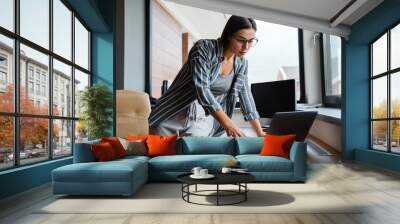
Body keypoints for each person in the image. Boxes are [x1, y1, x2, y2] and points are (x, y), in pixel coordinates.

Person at [149, 15, 265, 137]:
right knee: (160, 153)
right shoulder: (203, 48)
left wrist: (259, 132)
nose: (246, 47)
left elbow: (245, 96)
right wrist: (229, 124)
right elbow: (202, 90)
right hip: (173, 114)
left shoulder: (241, 64)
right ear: (229, 36)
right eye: (241, 40)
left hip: (202, 119)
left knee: (196, 154)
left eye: (251, 41)